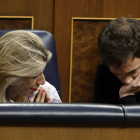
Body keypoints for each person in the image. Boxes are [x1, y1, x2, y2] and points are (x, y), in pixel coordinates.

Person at [0, 30, 62, 103]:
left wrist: (48, 113)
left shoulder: (48, 91)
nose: (42, 81)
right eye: (34, 75)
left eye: (42, 72)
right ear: (11, 76)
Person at [93, 17, 140, 105]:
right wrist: (126, 95)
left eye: (133, 72)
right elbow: (102, 115)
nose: (127, 82)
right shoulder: (105, 68)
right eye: (118, 75)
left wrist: (127, 96)